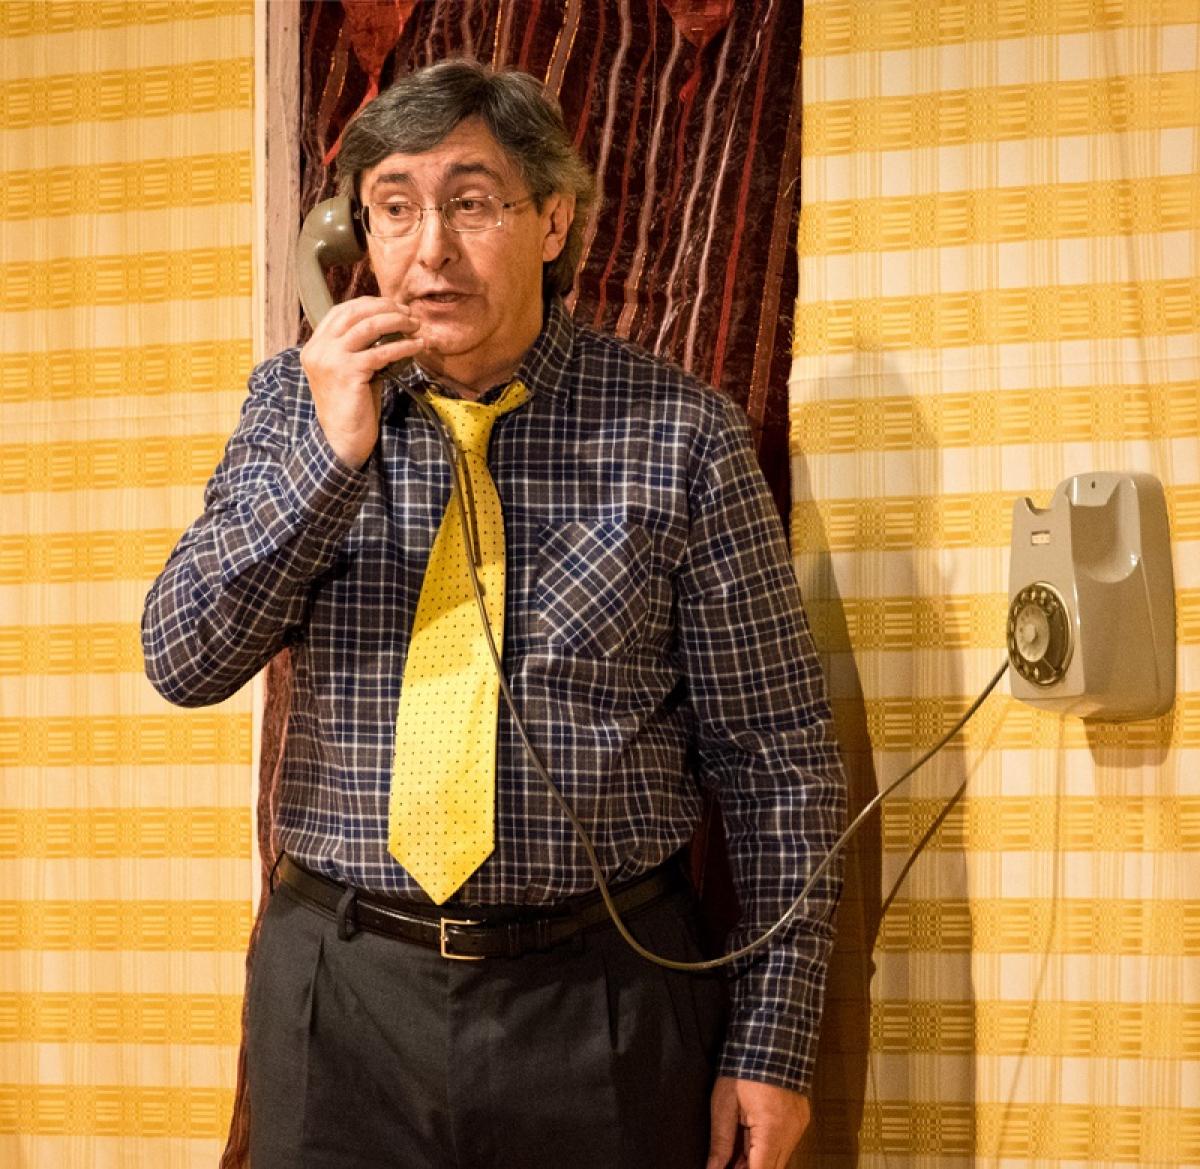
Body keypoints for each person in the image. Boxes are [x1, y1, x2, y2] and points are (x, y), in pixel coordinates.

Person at [143, 59, 845, 1169]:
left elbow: (778, 764)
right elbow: (183, 657)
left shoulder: (682, 434)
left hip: (601, 1002)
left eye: (470, 203)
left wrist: (773, 1042)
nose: (430, 249)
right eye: (394, 208)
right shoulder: (296, 403)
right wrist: (329, 458)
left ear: (553, 219)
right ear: (354, 236)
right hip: (342, 996)